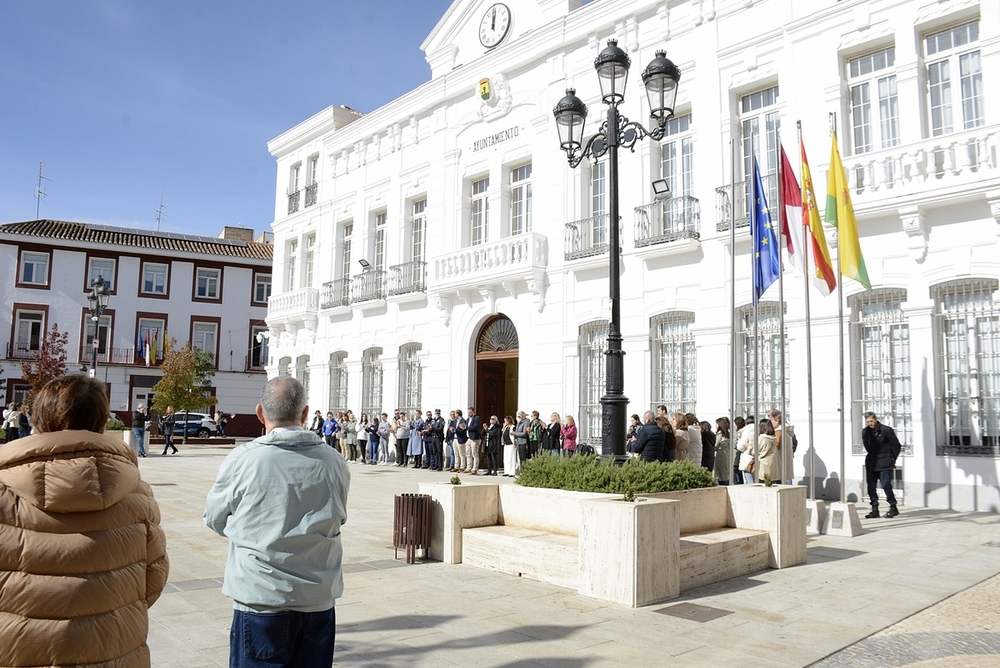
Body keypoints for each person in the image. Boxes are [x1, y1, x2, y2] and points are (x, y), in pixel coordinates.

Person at [0, 375, 168, 667]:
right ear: (102, 422)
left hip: (19, 648)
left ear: (38, 419)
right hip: (112, 646)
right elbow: (154, 576)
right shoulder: (137, 491)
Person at [204, 376, 350, 668]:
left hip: (262, 596)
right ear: (305, 413)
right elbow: (338, 517)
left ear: (260, 413)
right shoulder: (334, 461)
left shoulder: (244, 459)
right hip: (317, 598)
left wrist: (252, 533)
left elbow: (215, 518)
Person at [862, 412, 902, 519]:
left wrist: (892, 458)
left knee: (885, 485)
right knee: (871, 487)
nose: (870, 423)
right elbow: (867, 446)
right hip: (871, 463)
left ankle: (893, 507)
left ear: (876, 419)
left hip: (885, 463)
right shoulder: (865, 432)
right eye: (868, 422)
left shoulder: (886, 430)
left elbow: (896, 445)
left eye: (871, 421)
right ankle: (874, 508)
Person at [756, 418, 781, 482]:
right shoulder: (773, 438)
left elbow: (755, 451)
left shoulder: (762, 438)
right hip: (773, 465)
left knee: (763, 484)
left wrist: (749, 447)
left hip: (763, 464)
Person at [714, 417, 731, 485]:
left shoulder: (720, 434)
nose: (715, 425)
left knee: (720, 474)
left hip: (720, 454)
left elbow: (715, 446)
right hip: (727, 453)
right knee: (725, 473)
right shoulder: (728, 433)